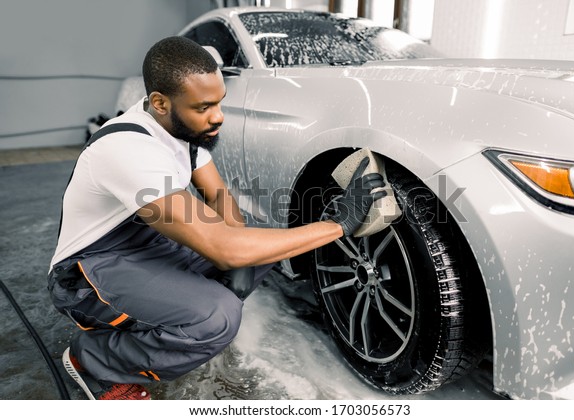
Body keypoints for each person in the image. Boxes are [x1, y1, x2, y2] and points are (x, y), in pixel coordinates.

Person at [47, 36, 386, 400]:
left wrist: (237, 260)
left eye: (220, 102)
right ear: (160, 103)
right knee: (216, 316)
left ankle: (172, 327)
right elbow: (224, 247)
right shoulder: (128, 149)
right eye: (205, 107)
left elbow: (221, 201)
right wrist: (338, 225)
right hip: (87, 274)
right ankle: (95, 360)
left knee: (260, 252)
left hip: (144, 248)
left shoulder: (181, 130)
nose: (218, 116)